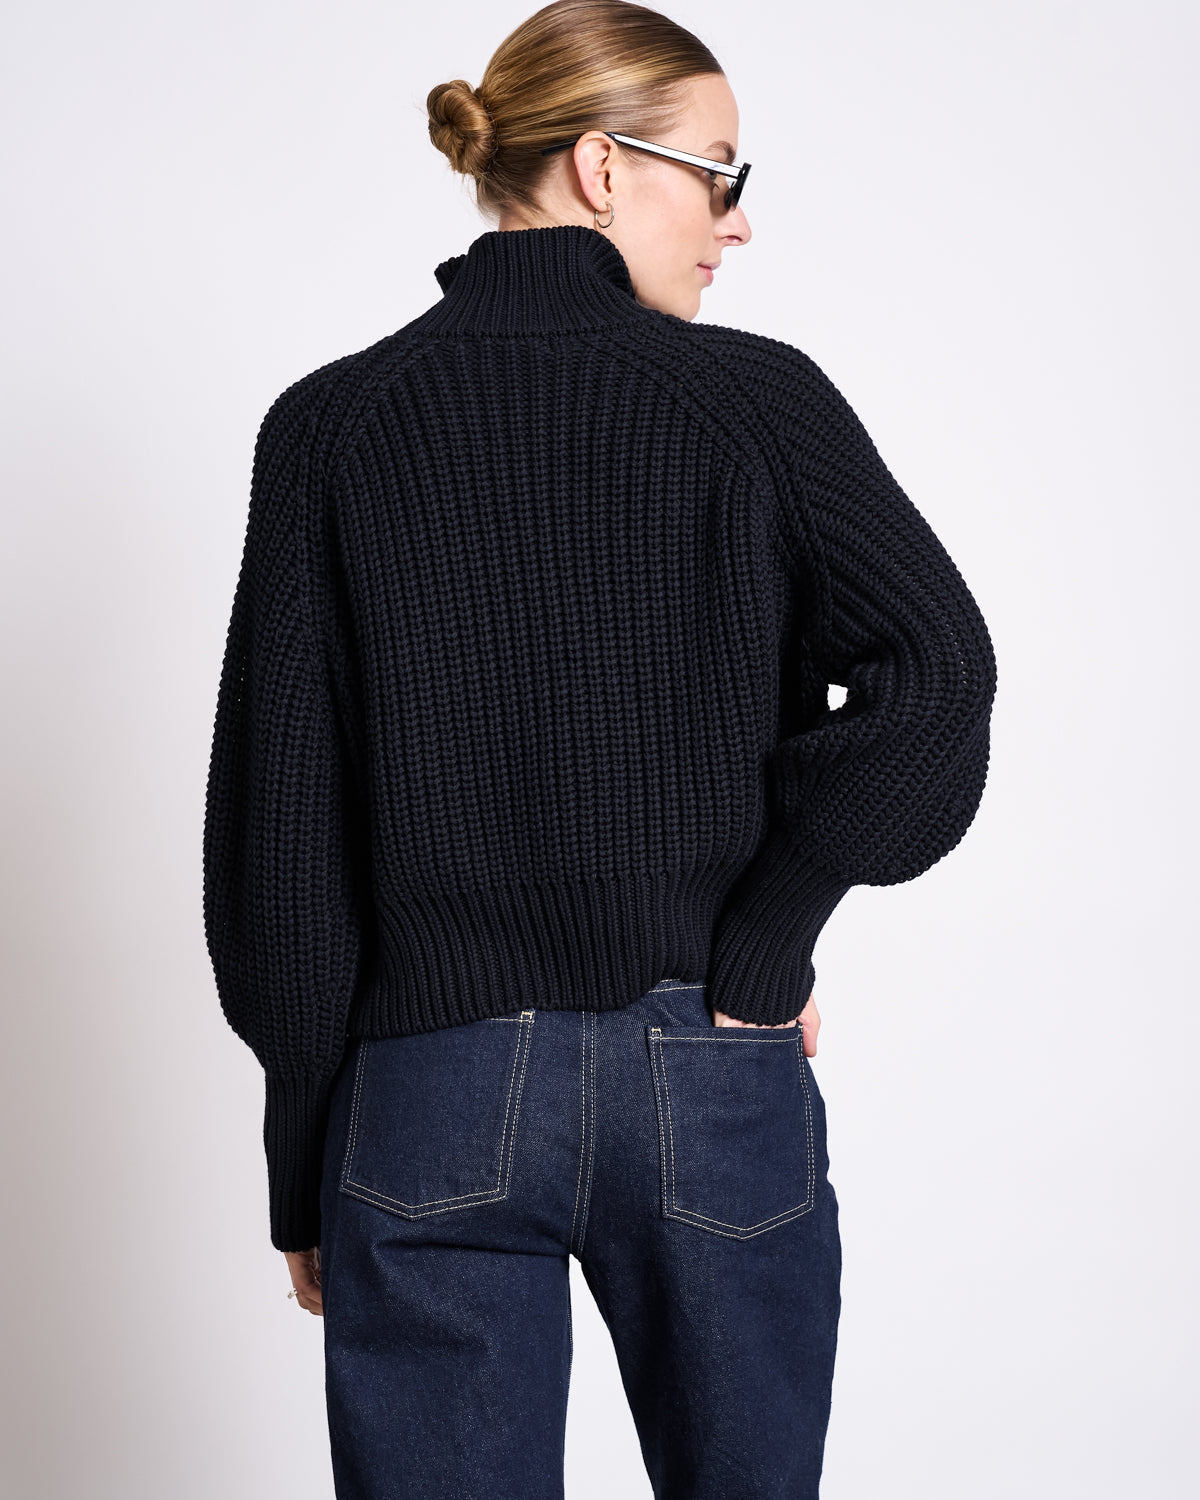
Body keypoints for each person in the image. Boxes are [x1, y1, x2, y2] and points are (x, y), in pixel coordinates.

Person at [202, 1, 997, 1494]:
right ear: (602, 165)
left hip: (424, 1093)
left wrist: (304, 1147)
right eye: (721, 172)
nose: (738, 222)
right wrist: (766, 944)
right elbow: (939, 674)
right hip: (710, 1068)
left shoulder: (332, 426)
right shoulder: (755, 403)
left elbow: (282, 830)